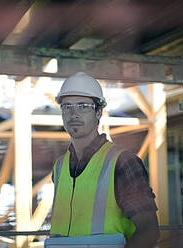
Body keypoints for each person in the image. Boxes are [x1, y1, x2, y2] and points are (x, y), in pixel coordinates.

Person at [49, 72, 159, 248]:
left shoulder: (123, 163)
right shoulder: (60, 166)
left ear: (98, 112)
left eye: (83, 106)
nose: (73, 114)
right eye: (67, 106)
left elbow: (149, 231)